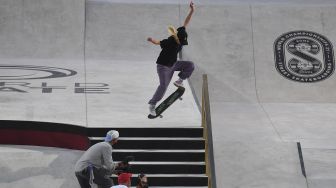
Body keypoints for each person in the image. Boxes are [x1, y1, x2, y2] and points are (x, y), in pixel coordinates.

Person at [147, 1, 195, 116]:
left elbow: (186, 22)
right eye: (181, 41)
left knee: (190, 65)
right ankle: (152, 104)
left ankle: (179, 81)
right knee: (163, 86)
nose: (182, 43)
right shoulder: (169, 41)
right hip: (163, 67)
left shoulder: (181, 33)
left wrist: (192, 11)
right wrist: (151, 40)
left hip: (174, 64)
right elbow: (158, 42)